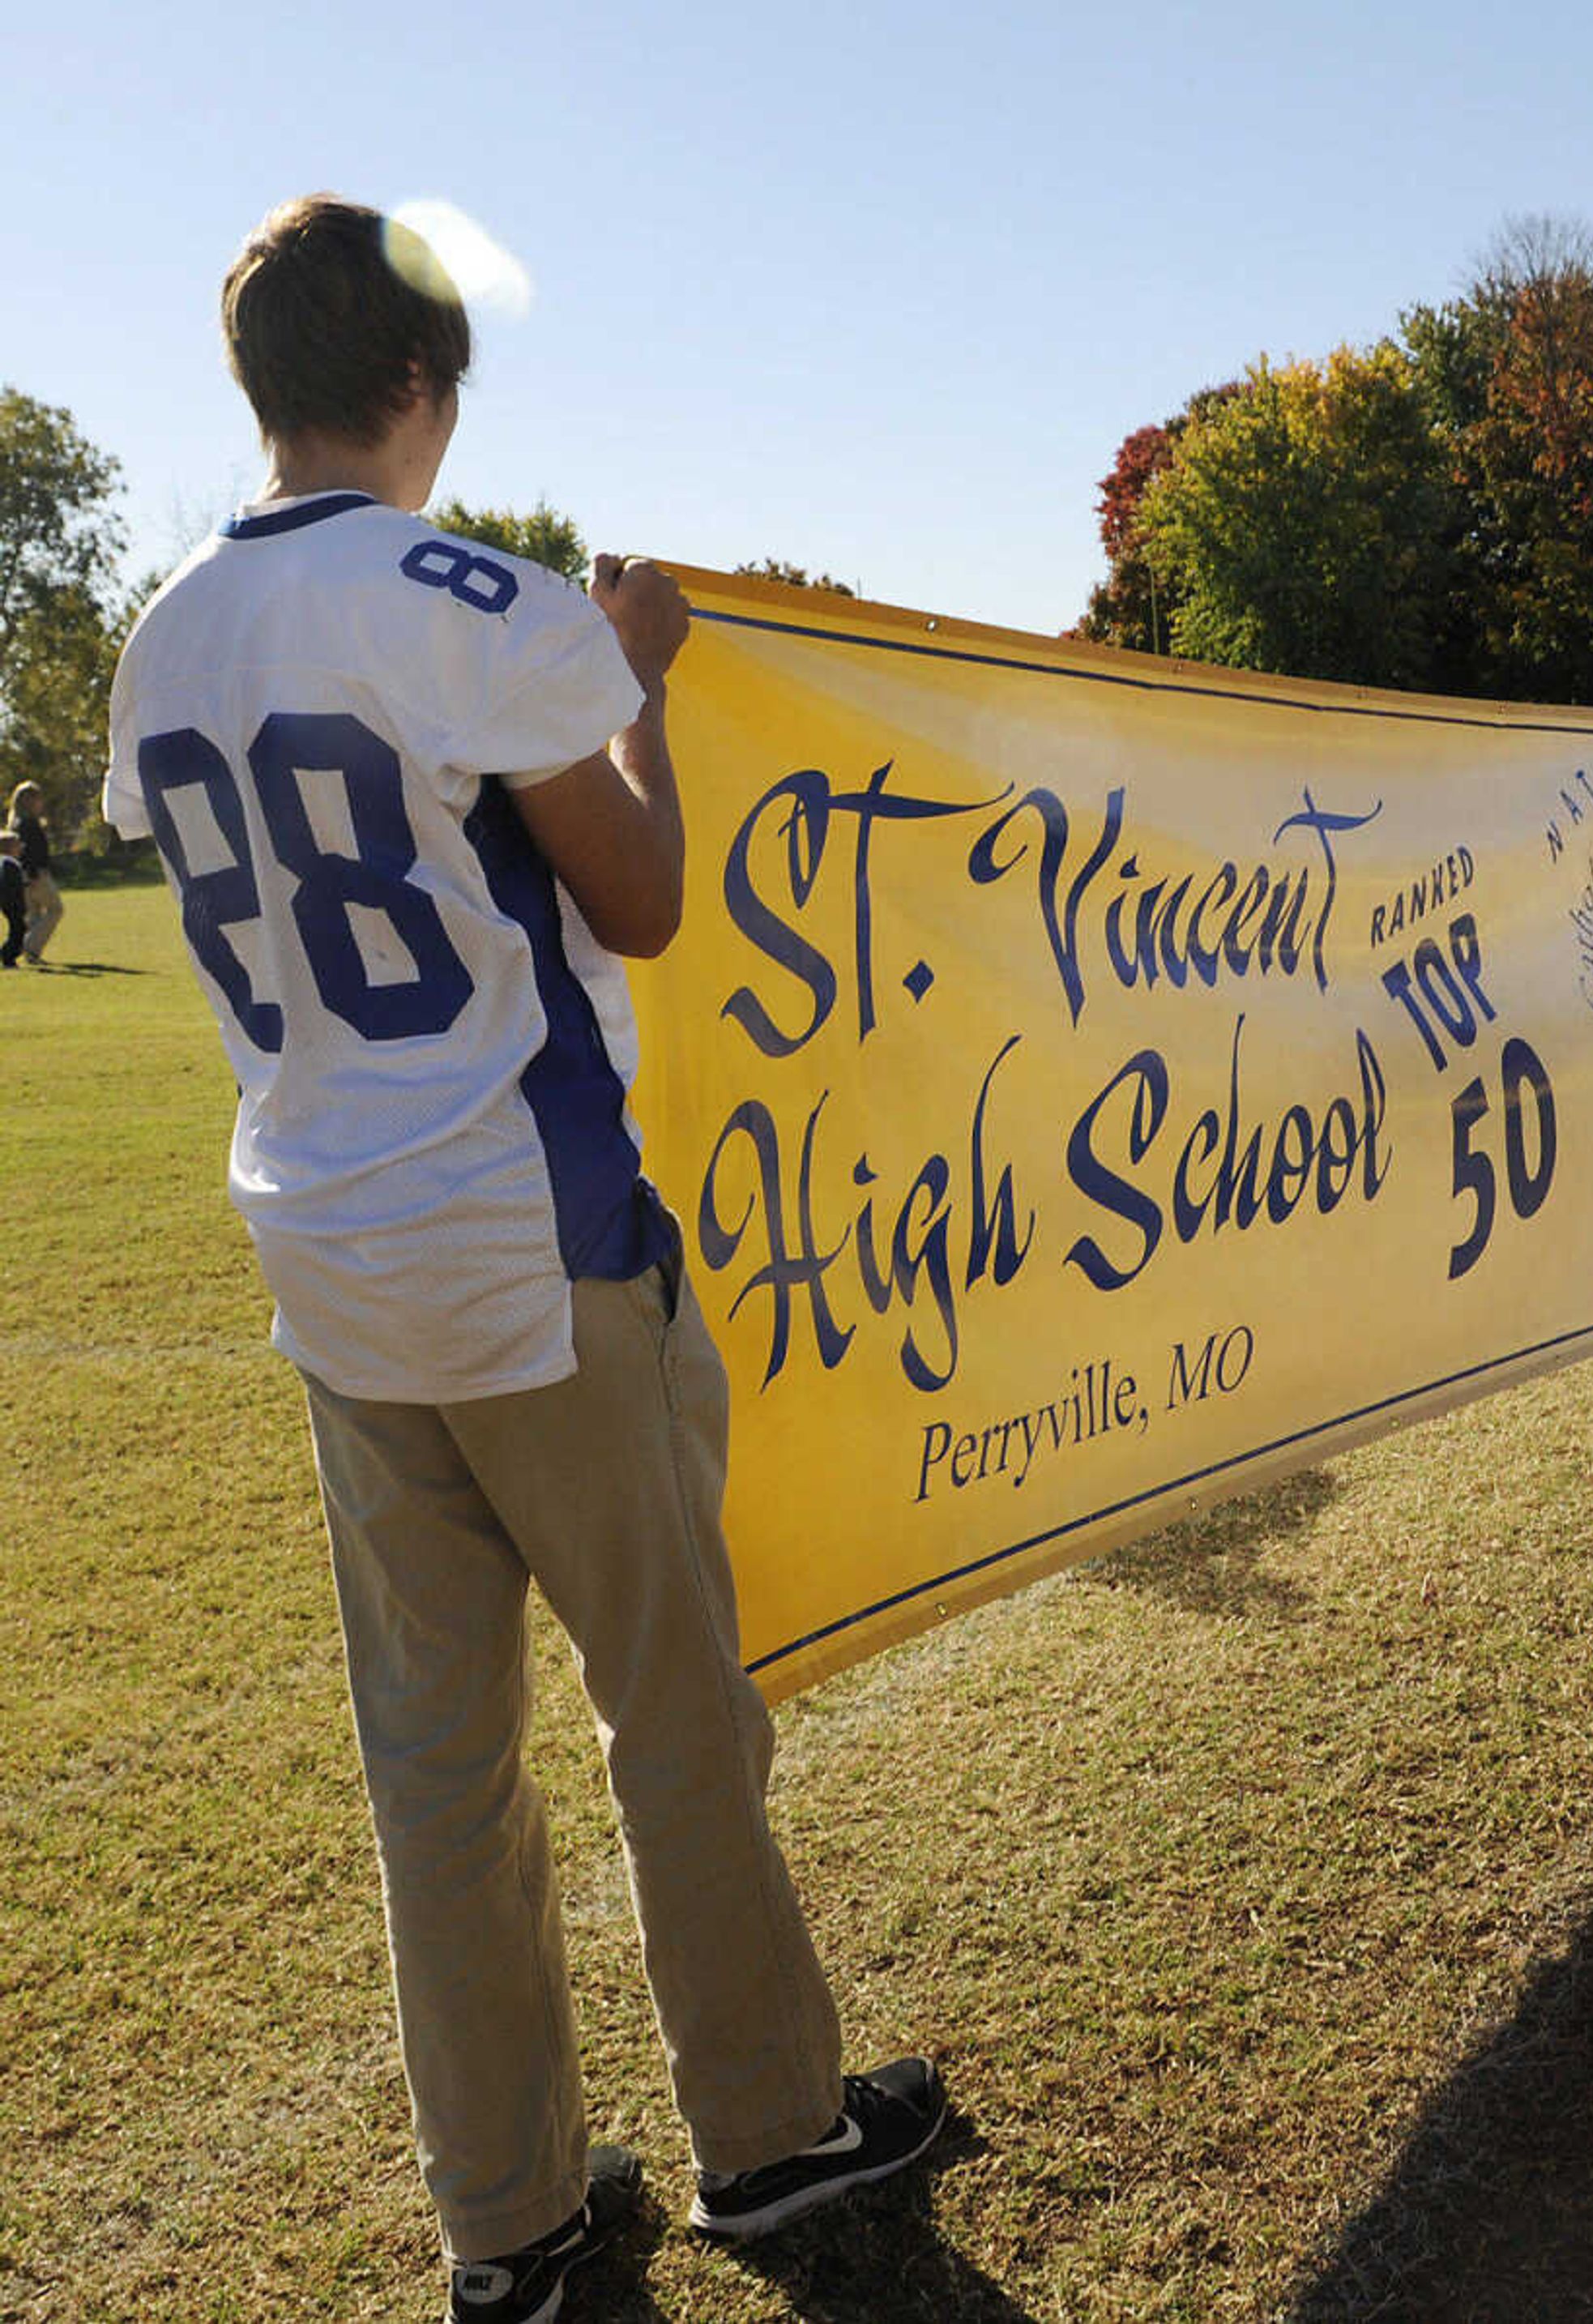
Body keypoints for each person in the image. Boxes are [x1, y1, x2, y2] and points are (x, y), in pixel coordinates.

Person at [101, 195, 949, 2324]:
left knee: (437, 1769)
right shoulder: (466, 593)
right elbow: (639, 897)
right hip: (527, 1224)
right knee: (673, 1709)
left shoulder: (168, 624)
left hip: (326, 1240)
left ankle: (507, 2215)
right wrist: (634, 684)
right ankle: (771, 2128)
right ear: (421, 386)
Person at [6, 782, 63, 961]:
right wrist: (33, 874)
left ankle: (30, 953)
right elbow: (29, 852)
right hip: (35, 874)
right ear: (29, 801)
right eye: (38, 799)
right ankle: (30, 947)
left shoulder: (16, 824)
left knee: (35, 915)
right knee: (56, 909)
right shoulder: (28, 824)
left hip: (22, 875)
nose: (41, 803)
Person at [0, 831, 25, 968]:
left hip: (8, 902)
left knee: (18, 929)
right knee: (18, 930)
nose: (21, 847)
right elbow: (11, 886)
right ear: (9, 848)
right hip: (12, 903)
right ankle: (7, 955)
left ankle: (8, 954)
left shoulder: (5, 862)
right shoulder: (10, 864)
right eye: (18, 845)